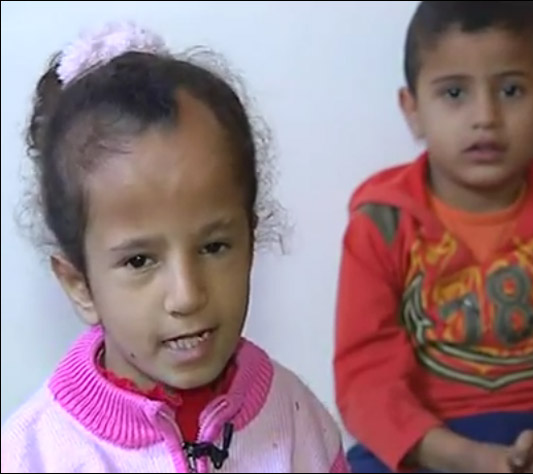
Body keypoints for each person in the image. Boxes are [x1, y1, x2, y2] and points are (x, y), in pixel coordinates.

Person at [1, 22, 347, 473]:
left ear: (251, 239)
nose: (187, 296)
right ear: (79, 284)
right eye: (139, 260)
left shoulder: (297, 421)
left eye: (214, 247)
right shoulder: (33, 456)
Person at [334, 2, 533, 473]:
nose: (486, 117)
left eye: (511, 90)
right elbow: (365, 378)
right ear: (413, 110)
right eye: (455, 92)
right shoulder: (383, 223)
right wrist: (466, 458)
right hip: (425, 445)